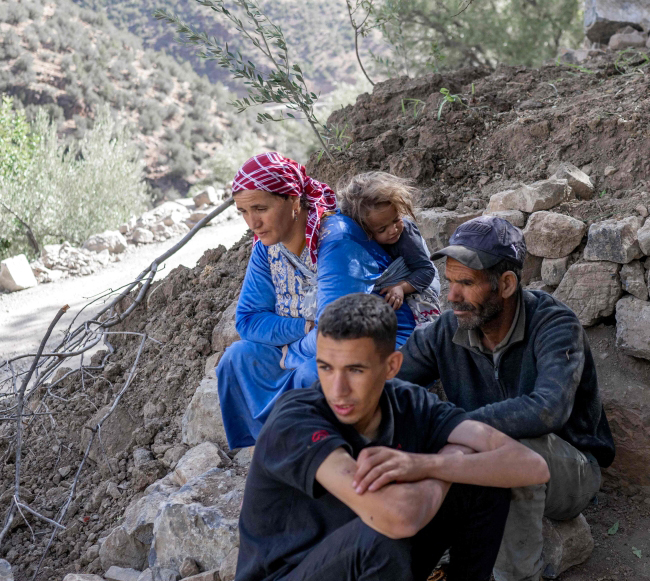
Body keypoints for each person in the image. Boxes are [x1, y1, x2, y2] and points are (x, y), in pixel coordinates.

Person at [236, 293, 550, 581]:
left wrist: (426, 465)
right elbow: (397, 520)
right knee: (384, 535)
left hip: (372, 564)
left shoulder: (409, 402)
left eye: (355, 370)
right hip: (293, 574)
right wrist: (450, 460)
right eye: (326, 368)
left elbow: (532, 466)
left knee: (483, 483)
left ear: (391, 366)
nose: (337, 389)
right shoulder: (296, 420)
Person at [397, 216, 616, 581]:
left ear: (507, 284)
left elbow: (548, 409)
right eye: (450, 281)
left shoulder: (554, 324)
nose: (451, 296)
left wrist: (455, 427)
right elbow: (391, 384)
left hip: (569, 468)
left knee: (515, 456)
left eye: (465, 283)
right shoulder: (446, 330)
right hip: (478, 455)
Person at [217, 152, 416, 449]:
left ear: (294, 200)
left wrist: (293, 349)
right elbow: (248, 319)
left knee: (313, 373)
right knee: (237, 358)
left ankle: (324, 452)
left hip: (371, 343)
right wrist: (305, 328)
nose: (252, 223)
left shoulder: (336, 241)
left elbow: (338, 333)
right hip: (311, 340)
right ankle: (267, 449)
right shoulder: (265, 246)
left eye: (260, 208)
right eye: (243, 212)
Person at [336, 171, 441, 327]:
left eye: (396, 219)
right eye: (382, 229)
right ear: (365, 231)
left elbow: (426, 270)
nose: (393, 230)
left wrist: (402, 287)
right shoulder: (359, 239)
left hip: (419, 280)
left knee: (426, 327)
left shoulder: (406, 234)